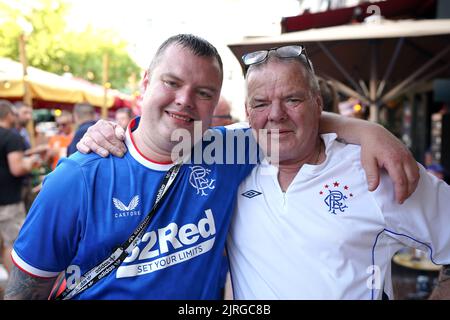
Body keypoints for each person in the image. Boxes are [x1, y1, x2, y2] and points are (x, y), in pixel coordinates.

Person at [6, 35, 418, 300]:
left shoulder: (225, 151)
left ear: (217, 104)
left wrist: (367, 129)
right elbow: (25, 290)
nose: (185, 100)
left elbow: (286, 123)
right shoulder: (79, 177)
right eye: (172, 83)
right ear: (145, 83)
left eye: (203, 92)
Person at [223, 46, 450, 299]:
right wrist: (367, 128)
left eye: (293, 100)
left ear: (317, 104)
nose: (275, 114)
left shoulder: (372, 169)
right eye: (261, 103)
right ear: (247, 112)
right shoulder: (231, 168)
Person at [0, 100, 40, 275]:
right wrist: (31, 162)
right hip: (9, 201)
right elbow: (16, 168)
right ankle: (13, 286)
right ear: (9, 115)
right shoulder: (12, 136)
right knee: (14, 244)